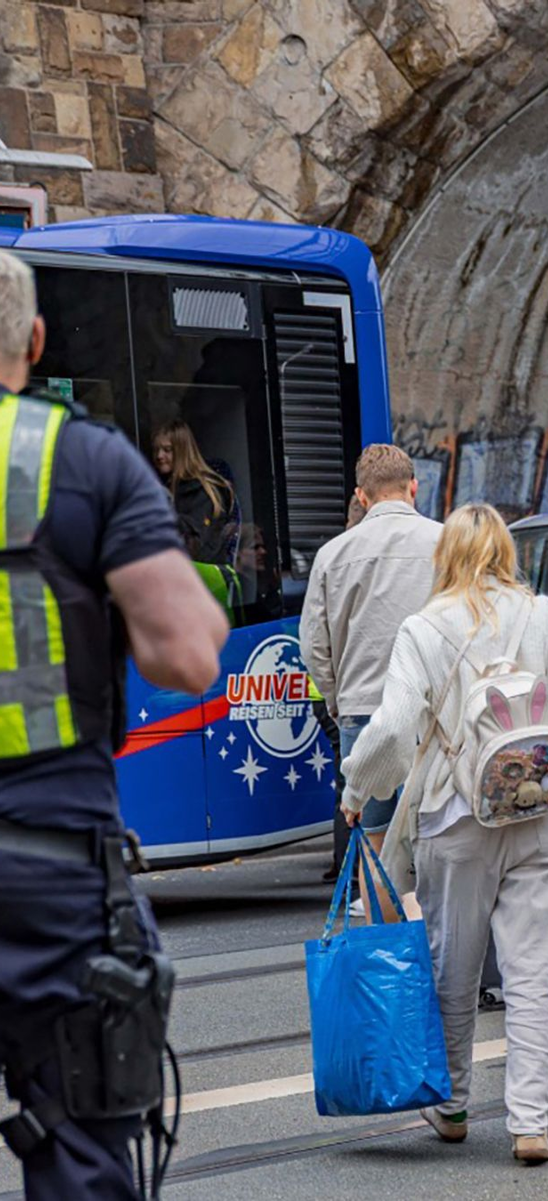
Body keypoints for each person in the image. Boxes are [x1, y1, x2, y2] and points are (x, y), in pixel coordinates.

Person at [0, 250, 229, 1200]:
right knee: (82, 1138)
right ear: (36, 340)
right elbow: (186, 654)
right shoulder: (81, 459)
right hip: (50, 872)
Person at [340, 504, 548, 1164]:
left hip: (455, 816)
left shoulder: (424, 626)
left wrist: (358, 793)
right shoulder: (545, 614)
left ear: (447, 556)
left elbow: (391, 728)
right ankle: (529, 1124)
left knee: (454, 968)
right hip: (541, 813)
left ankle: (454, 1103)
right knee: (533, 972)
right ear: (505, 551)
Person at [299, 444, 441, 921]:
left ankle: (388, 962)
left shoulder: (332, 555)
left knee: (375, 844)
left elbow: (313, 647)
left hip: (364, 714)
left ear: (361, 494)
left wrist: (340, 703)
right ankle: (445, 962)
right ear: (414, 487)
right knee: (441, 840)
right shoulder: (444, 543)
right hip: (433, 713)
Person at [317, 495, 367, 890]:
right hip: (359, 696)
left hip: (340, 696)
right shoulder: (353, 559)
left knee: (349, 784)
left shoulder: (330, 558)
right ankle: (354, 871)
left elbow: (315, 643)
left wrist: (332, 698)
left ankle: (347, 869)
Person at [152, 419, 238, 565]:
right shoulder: (167, 484)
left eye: (167, 450)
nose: (159, 456)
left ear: (182, 451)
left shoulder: (203, 489)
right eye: (156, 450)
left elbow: (193, 542)